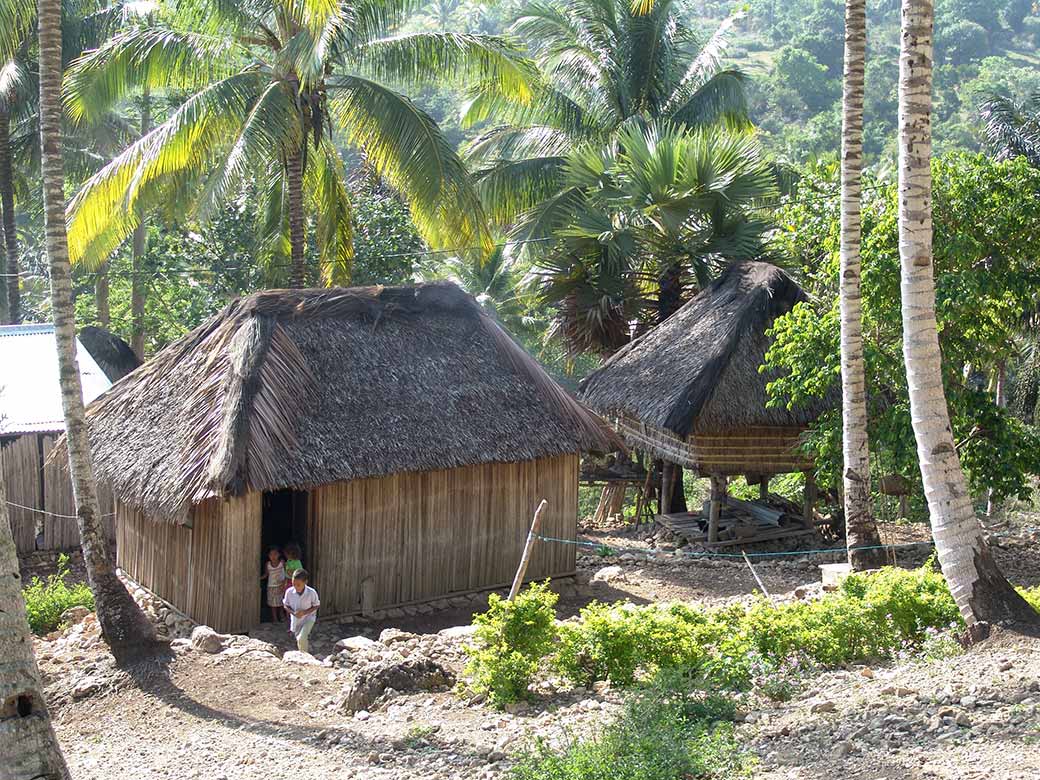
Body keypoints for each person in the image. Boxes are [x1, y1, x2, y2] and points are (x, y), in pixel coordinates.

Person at [282, 568, 320, 654]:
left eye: (298, 585)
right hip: (296, 620)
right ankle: (302, 654)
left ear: (305, 582)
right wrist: (293, 613)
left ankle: (305, 656)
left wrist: (304, 612)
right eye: (293, 584)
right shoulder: (289, 592)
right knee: (299, 639)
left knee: (301, 638)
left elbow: (316, 605)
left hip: (309, 618)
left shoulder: (311, 592)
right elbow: (285, 605)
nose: (295, 587)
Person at [260, 547, 286, 623]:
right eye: (271, 554)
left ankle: (282, 615)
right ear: (268, 556)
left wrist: (285, 582)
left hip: (281, 585)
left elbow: (287, 572)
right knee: (273, 604)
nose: (273, 556)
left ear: (279, 554)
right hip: (271, 586)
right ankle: (275, 618)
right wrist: (258, 578)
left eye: (275, 554)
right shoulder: (268, 564)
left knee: (281, 602)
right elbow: (266, 574)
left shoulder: (282, 563)